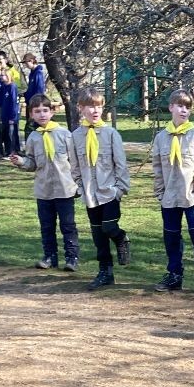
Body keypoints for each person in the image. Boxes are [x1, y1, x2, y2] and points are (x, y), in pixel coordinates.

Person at [150, 90, 194, 294]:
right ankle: (174, 275)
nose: (184, 110)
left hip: (191, 198)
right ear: (171, 107)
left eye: (187, 107)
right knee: (171, 238)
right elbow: (157, 169)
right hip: (169, 198)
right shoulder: (161, 138)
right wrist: (160, 193)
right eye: (180, 106)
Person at [9, 94, 80, 271]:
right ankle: (50, 257)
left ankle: (72, 258)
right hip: (44, 190)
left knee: (68, 225)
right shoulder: (33, 137)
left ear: (52, 112)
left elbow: (75, 162)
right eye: (37, 111)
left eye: (45, 110)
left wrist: (78, 184)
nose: (42, 114)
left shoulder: (65, 134)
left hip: (65, 189)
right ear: (31, 114)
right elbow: (32, 163)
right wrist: (21, 162)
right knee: (47, 226)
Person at [69, 85, 130, 290]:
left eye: (98, 106)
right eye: (90, 106)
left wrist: (120, 189)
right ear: (81, 108)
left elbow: (121, 164)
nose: (95, 111)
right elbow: (75, 167)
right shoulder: (75, 136)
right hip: (90, 194)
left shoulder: (111, 134)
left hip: (110, 192)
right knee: (98, 236)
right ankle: (105, 271)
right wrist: (80, 187)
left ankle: (121, 238)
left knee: (109, 228)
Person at [0, 60, 21, 158]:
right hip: (4, 113)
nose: (1, 77)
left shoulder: (12, 87)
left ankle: (12, 152)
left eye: (3, 76)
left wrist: (12, 117)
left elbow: (13, 103)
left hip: (10, 115)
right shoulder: (5, 86)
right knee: (4, 132)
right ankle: (5, 151)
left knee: (10, 134)